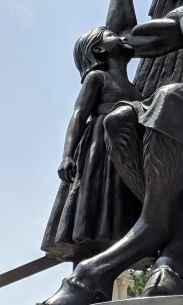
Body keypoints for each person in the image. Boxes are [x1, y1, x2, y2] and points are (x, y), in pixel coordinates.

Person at [41, 26, 142, 264]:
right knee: (94, 214)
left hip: (128, 152)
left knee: (117, 215)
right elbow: (79, 114)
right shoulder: (97, 78)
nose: (122, 37)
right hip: (101, 149)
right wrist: (67, 155)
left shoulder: (135, 89)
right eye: (112, 35)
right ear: (98, 49)